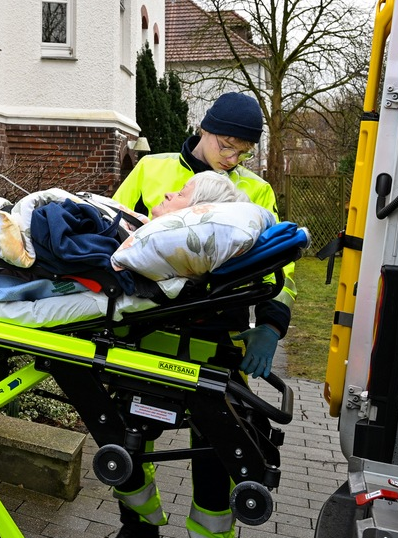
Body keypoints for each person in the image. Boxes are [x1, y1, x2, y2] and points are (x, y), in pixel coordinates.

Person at [110, 91, 297, 538]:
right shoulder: (152, 170)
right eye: (225, 145)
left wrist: (270, 326)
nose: (231, 159)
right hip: (146, 335)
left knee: (218, 454)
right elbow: (113, 232)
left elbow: (281, 270)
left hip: (218, 342)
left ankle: (211, 533)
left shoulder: (258, 190)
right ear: (204, 129)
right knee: (129, 443)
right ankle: (138, 526)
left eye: (242, 152)